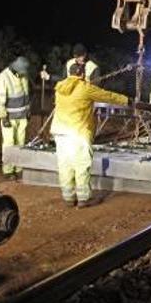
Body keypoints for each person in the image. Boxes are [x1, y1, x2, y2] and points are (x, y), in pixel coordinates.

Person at [51, 63, 130, 208]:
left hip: (60, 132)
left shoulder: (60, 88)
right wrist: (126, 100)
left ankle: (68, 198)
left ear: (69, 73)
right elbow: (107, 96)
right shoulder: (85, 88)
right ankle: (83, 198)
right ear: (82, 74)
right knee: (81, 166)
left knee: (65, 166)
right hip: (78, 132)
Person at [0, 56, 31, 178]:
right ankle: (8, 171)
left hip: (22, 116)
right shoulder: (2, 78)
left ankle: (19, 168)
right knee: (9, 144)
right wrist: (3, 117)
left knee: (20, 143)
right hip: (9, 118)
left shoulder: (23, 75)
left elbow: (26, 94)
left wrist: (28, 110)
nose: (23, 75)